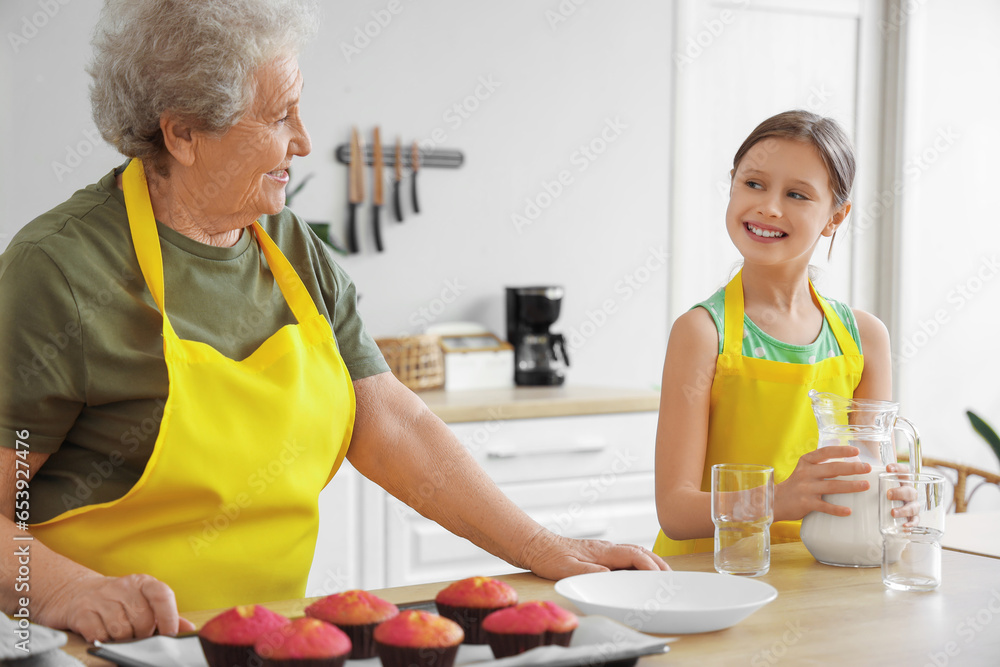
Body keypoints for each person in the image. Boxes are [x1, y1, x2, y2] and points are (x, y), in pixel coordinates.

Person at [0, 0, 666, 643]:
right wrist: (68, 592)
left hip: (270, 641)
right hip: (103, 649)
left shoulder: (288, 247)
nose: (305, 138)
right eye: (279, 114)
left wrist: (544, 546)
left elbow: (391, 425)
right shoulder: (59, 271)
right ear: (183, 133)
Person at [652, 110, 894, 556]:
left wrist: (894, 501)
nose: (769, 206)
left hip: (819, 574)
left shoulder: (863, 338)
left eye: (797, 194)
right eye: (754, 184)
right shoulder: (703, 333)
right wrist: (779, 499)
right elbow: (675, 510)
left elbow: (868, 479)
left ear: (835, 217)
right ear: (732, 184)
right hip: (710, 579)